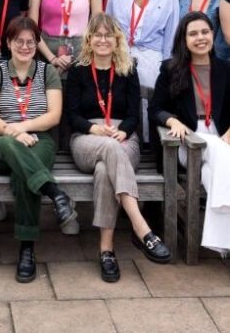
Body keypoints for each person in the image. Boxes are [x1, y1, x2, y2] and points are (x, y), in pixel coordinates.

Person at [150, 12, 230, 290]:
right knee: (222, 158)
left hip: (222, 140)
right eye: (193, 33)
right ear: (184, 39)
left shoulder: (227, 69)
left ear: (213, 35)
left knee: (216, 176)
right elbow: (155, 108)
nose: (200, 38)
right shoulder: (171, 68)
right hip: (187, 142)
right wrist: (172, 120)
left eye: (205, 32)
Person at [66, 14, 172, 281]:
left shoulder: (128, 68)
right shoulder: (78, 69)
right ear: (89, 39)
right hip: (87, 137)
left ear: (117, 40)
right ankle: (141, 227)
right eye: (97, 35)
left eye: (108, 35)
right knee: (107, 152)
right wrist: (95, 129)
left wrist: (123, 130)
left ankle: (106, 251)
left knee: (105, 171)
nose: (103, 40)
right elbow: (72, 115)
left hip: (123, 138)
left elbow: (135, 114)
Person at [0, 17, 76, 283]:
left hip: (40, 140)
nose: (25, 46)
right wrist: (14, 133)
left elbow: (54, 115)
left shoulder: (48, 72)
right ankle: (54, 192)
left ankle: (26, 249)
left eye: (30, 42)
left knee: (23, 174)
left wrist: (23, 127)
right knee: (12, 149)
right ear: (9, 43)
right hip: (3, 140)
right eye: (19, 41)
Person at [105, 0, 179, 141]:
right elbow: (108, 28)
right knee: (122, 101)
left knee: (149, 103)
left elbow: (171, 36)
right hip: (120, 57)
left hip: (152, 60)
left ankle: (149, 145)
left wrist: (166, 68)